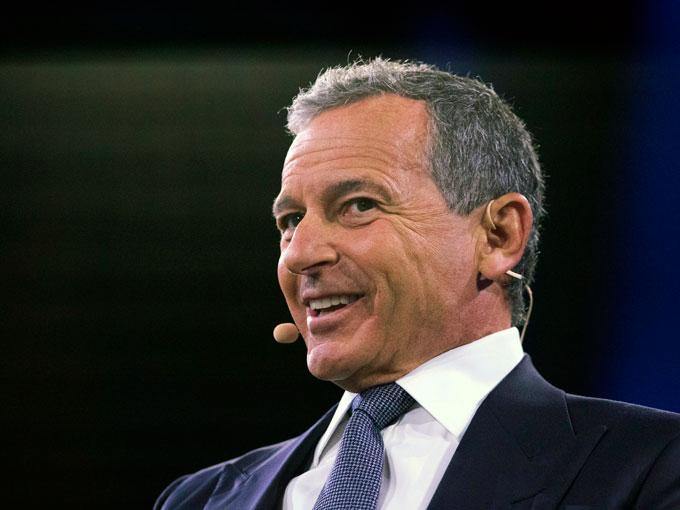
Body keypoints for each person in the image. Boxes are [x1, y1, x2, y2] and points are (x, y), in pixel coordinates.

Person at [155, 58, 680, 509]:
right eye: (291, 220)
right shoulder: (199, 499)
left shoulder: (651, 470)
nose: (299, 255)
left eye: (359, 205)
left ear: (498, 235)